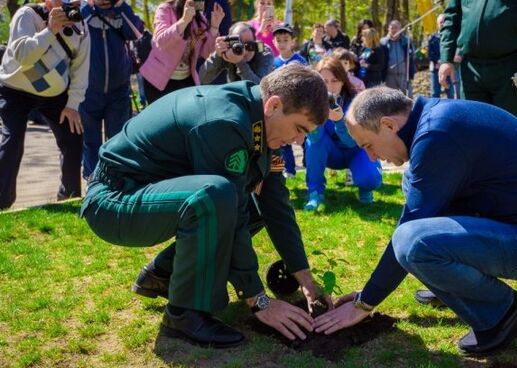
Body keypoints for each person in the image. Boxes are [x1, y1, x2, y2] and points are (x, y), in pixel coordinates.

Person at [81, 64, 333, 347]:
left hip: (143, 195)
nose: (298, 141)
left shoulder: (259, 120)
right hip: (113, 202)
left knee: (253, 208)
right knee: (217, 195)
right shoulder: (225, 122)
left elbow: (276, 206)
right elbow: (229, 208)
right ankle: (185, 313)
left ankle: (163, 274)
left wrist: (306, 278)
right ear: (274, 105)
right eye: (299, 129)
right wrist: (259, 300)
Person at [313, 87, 517, 355]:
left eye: (368, 145)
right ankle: (449, 283)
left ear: (388, 125)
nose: (371, 157)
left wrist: (365, 302)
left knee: (411, 243)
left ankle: (501, 311)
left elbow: (410, 227)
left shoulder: (437, 135)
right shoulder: (433, 119)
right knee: (412, 183)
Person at [0, 0, 89, 210]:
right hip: (15, 89)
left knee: (73, 135)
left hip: (54, 94)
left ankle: (70, 197)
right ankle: (2, 204)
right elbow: (23, 56)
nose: (71, 5)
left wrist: (73, 105)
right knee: (12, 141)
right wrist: (50, 31)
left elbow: (81, 68)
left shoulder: (80, 27)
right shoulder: (26, 15)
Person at [439, 0, 517, 124]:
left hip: (512, 70)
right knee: (473, 134)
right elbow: (451, 16)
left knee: (508, 136)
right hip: (470, 71)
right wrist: (446, 59)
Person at [303, 58, 382, 211]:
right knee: (312, 143)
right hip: (329, 152)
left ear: (343, 81)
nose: (329, 87)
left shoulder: (356, 102)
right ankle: (315, 193)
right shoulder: (311, 102)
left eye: (334, 80)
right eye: (324, 81)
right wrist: (318, 116)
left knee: (370, 179)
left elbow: (352, 142)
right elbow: (314, 139)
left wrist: (339, 121)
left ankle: (366, 189)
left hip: (355, 151)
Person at [79, 0, 144, 181]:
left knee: (117, 140)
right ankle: (92, 183)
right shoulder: (84, 9)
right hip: (88, 90)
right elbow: (75, 28)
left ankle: (116, 181)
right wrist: (90, 6)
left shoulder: (121, 10)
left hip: (119, 90)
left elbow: (137, 32)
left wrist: (121, 5)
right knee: (90, 141)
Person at [139, 0, 221, 104]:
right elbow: (160, 41)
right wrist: (184, 20)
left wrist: (214, 27)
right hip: (158, 81)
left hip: (186, 80)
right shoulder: (165, 9)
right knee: (163, 119)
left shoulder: (199, 18)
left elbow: (206, 53)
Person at [271, 23, 307, 178]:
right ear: (274, 42)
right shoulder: (272, 62)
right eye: (278, 40)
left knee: (304, 139)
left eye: (285, 39)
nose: (282, 43)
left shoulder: (300, 61)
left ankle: (308, 166)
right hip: (281, 109)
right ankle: (288, 170)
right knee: (282, 140)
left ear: (293, 41)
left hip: (298, 108)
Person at [199, 22, 274, 84]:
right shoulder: (229, 50)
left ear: (255, 41)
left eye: (248, 44)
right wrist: (217, 55)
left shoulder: (264, 51)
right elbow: (203, 78)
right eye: (239, 44)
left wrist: (240, 62)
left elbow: (258, 88)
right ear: (230, 43)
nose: (244, 49)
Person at [381, 20, 415, 96]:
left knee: (407, 97)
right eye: (392, 28)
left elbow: (412, 56)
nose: (394, 30)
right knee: (391, 99)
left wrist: (411, 73)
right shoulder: (383, 42)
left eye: (396, 28)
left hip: (404, 75)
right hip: (389, 76)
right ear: (388, 29)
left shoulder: (407, 41)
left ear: (400, 29)